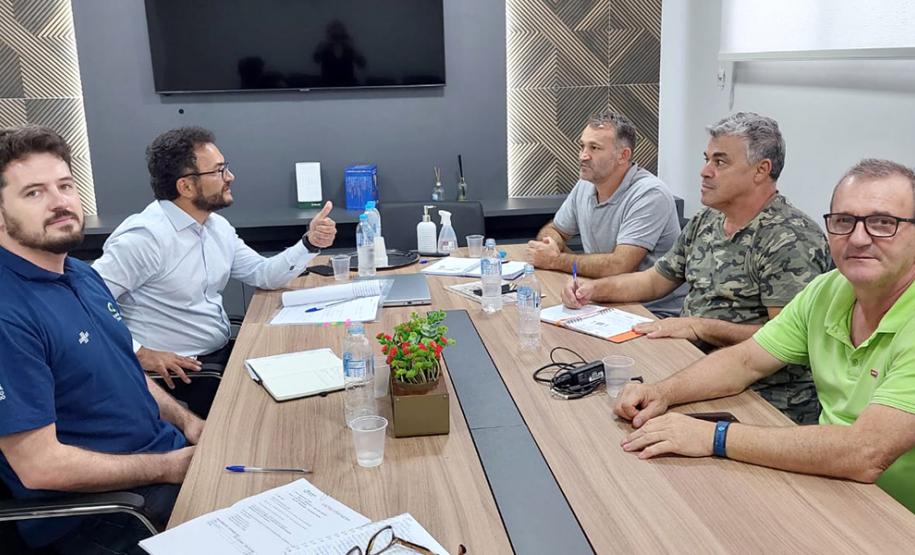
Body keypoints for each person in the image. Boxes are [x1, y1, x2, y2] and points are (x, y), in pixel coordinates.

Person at [614, 159, 915, 513]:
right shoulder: (827, 291)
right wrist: (662, 392)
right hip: (835, 489)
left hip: (895, 516)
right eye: (844, 221)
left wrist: (715, 436)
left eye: (883, 223)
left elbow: (866, 452)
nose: (859, 238)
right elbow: (744, 361)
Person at [0, 125, 200, 553]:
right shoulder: (8, 314)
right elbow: (39, 467)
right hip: (103, 514)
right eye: (34, 193)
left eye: (65, 186)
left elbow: (125, 370)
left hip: (164, 467)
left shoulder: (82, 274)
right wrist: (169, 467)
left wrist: (188, 422)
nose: (60, 202)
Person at [562, 112, 830, 424]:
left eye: (720, 162)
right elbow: (654, 280)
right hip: (691, 363)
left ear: (761, 170)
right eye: (707, 159)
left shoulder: (790, 239)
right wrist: (593, 289)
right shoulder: (708, 219)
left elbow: (786, 340)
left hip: (763, 398)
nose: (704, 172)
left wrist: (700, 326)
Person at [92, 127, 336, 413]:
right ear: (186, 187)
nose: (230, 177)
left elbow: (264, 274)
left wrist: (309, 243)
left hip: (220, 355)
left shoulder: (216, 227)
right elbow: (86, 301)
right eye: (219, 171)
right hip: (180, 379)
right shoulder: (144, 238)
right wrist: (139, 353)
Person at [528, 110, 685, 316]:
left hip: (651, 311)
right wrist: (552, 244)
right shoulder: (585, 184)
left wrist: (555, 260)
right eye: (582, 146)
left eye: (594, 148)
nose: (583, 156)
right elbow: (555, 229)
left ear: (623, 155)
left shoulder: (650, 194)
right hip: (601, 298)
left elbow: (619, 266)